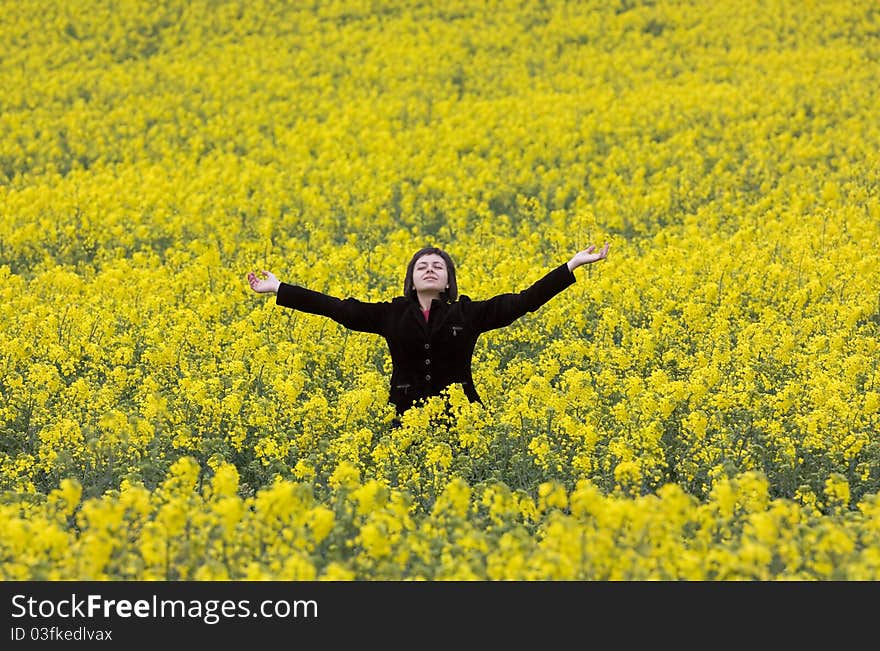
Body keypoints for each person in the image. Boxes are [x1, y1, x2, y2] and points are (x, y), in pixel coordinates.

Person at [247, 243, 610, 423]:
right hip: (405, 416)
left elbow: (523, 302)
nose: (431, 270)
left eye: (439, 266)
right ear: (412, 278)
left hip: (462, 419)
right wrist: (280, 288)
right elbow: (339, 309)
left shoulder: (468, 312)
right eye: (423, 266)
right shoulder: (391, 314)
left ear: (449, 279)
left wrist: (571, 266)